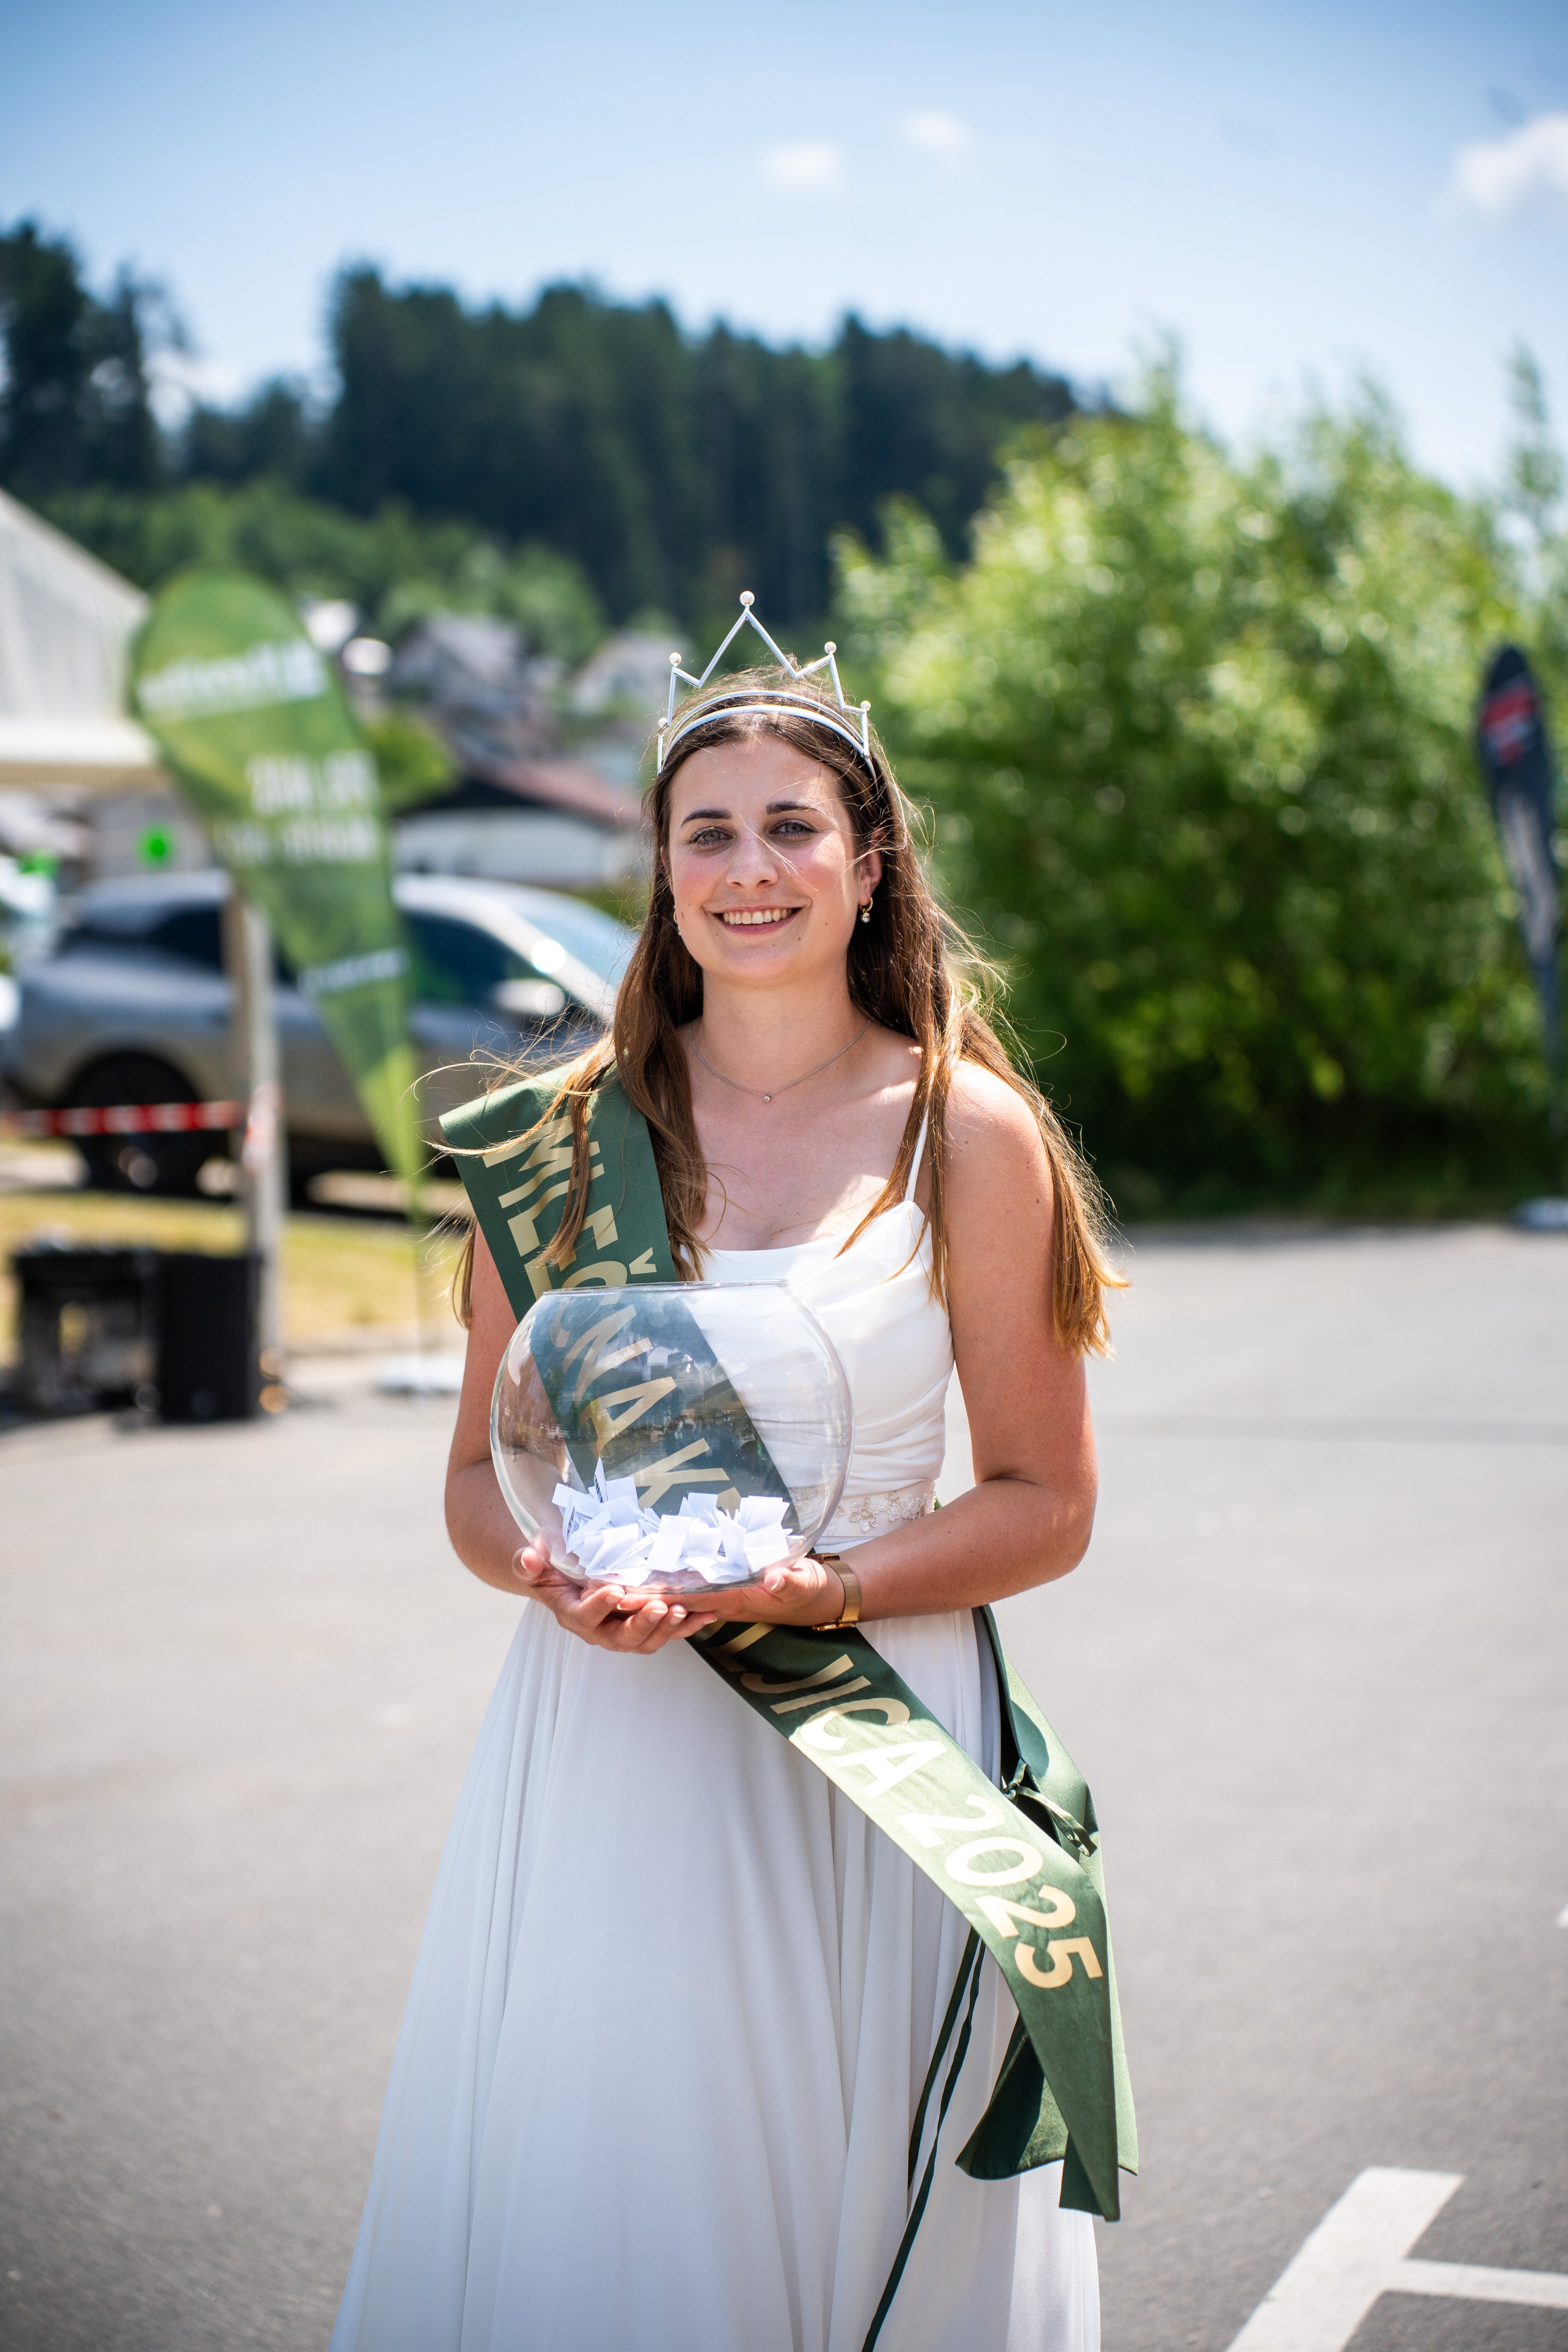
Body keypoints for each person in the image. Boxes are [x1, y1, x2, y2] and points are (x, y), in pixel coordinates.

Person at [330, 639, 1126, 2352]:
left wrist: (824, 1588)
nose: (748, 869)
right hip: (614, 1743)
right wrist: (541, 1572)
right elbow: (481, 1470)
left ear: (868, 860)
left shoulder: (968, 1138)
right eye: (707, 833)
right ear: (663, 870)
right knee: (625, 2204)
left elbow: (1048, 1499)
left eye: (790, 826)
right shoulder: (553, 1140)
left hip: (874, 1731)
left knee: (849, 2209)